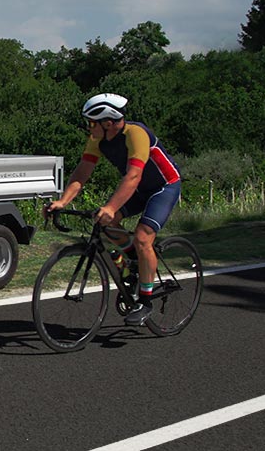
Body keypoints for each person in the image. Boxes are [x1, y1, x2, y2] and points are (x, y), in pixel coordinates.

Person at [45, 93, 182, 326]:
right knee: (104, 223)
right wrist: (63, 201)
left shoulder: (136, 134)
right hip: (138, 190)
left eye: (91, 122)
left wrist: (110, 206)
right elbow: (83, 172)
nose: (88, 128)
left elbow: (134, 175)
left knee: (142, 238)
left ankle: (145, 301)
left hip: (163, 187)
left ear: (107, 123)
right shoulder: (97, 139)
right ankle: (133, 263)